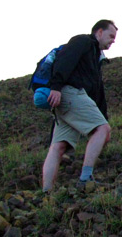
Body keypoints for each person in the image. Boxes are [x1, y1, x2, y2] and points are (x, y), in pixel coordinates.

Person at [41, 19, 117, 194]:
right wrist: (56, 87)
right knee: (102, 129)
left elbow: (97, 93)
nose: (113, 40)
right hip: (70, 93)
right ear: (99, 32)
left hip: (66, 101)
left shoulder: (95, 57)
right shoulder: (83, 41)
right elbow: (65, 61)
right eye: (111, 35)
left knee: (58, 146)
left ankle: (46, 192)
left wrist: (102, 114)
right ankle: (85, 178)